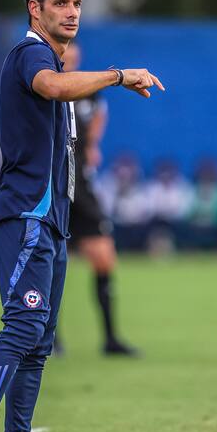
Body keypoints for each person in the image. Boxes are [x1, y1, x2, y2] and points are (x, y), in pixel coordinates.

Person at [0, 0, 164, 432]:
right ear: (35, 9)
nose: (71, 12)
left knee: (40, 338)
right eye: (61, 3)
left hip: (53, 218)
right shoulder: (31, 55)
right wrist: (117, 75)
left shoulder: (56, 58)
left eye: (77, 4)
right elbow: (51, 87)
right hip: (26, 212)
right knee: (23, 325)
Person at [62, 43, 138, 357]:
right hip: (55, 182)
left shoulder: (89, 93)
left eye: (76, 59)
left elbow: (98, 115)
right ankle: (49, 338)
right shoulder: (47, 89)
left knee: (104, 257)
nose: (72, 64)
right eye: (67, 59)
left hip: (83, 183)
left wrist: (93, 143)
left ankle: (110, 338)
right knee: (53, 262)